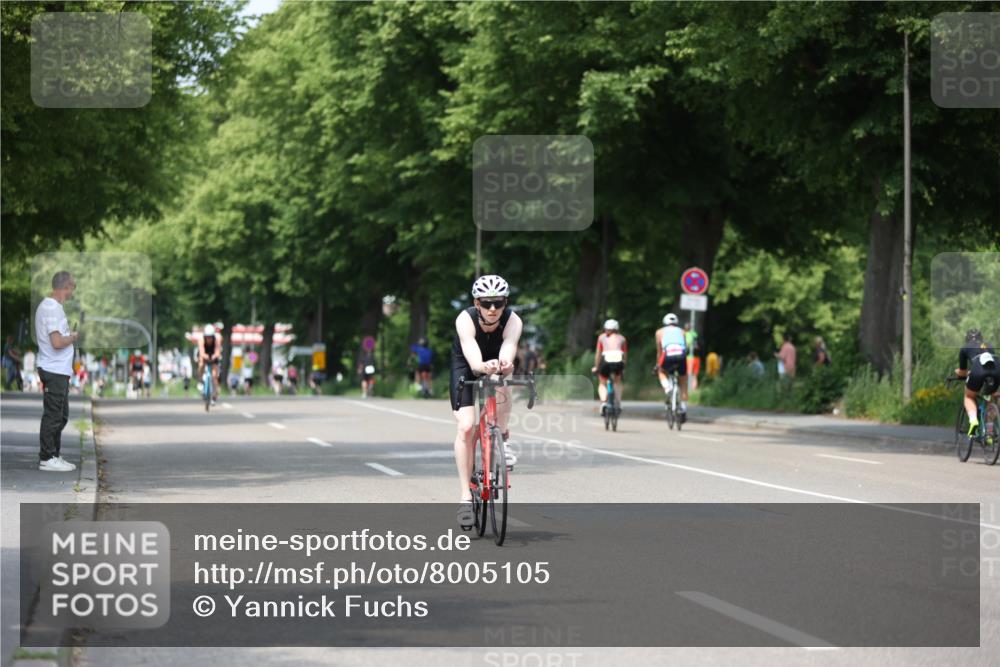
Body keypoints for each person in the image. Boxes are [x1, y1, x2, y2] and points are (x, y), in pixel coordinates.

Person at [451, 275, 523, 529]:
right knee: (467, 427)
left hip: (495, 361)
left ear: (505, 302)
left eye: (498, 303)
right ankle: (464, 496)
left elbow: (508, 347)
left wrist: (503, 365)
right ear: (476, 302)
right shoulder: (465, 319)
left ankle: (501, 433)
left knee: (505, 380)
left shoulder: (513, 320)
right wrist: (482, 366)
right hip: (467, 365)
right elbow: (472, 357)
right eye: (486, 303)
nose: (493, 309)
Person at [35, 271, 78, 472]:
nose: (72, 293)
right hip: (54, 369)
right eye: (72, 288)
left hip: (58, 369)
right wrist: (72, 337)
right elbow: (57, 341)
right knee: (53, 415)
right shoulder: (52, 308)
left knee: (61, 415)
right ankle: (47, 457)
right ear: (64, 286)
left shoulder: (53, 307)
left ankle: (54, 454)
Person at [955, 329, 999, 436]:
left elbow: (962, 372)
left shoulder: (965, 348)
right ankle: (989, 432)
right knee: (992, 396)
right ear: (981, 338)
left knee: (969, 396)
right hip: (997, 370)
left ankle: (973, 420)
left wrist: (958, 372)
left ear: (967, 339)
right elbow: (989, 364)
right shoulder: (989, 346)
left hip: (977, 371)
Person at [591, 319, 627, 414]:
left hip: (606, 361)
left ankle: (603, 403)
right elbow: (624, 356)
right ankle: (618, 403)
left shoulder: (601, 337)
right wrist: (623, 368)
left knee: (602, 382)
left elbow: (598, 354)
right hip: (619, 361)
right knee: (618, 382)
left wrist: (596, 367)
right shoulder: (622, 338)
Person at [656, 313, 688, 417]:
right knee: (683, 380)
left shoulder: (659, 332)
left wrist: (658, 365)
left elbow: (660, 351)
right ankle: (683, 407)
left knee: (661, 371)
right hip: (681, 355)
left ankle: (667, 387)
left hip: (668, 354)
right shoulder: (682, 331)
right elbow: (685, 348)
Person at [198, 324, 221, 404]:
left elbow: (217, 351)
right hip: (204, 355)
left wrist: (214, 356)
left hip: (213, 356)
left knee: (215, 376)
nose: (209, 339)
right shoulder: (201, 339)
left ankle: (214, 394)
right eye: (207, 336)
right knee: (201, 364)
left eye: (210, 336)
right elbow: (201, 352)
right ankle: (200, 380)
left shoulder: (217, 340)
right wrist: (205, 357)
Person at [683, 322, 700, 391]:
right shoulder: (695, 334)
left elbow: (687, 344)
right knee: (695, 375)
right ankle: (694, 390)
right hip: (697, 357)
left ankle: (689, 390)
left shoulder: (686, 334)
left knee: (688, 373)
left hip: (689, 357)